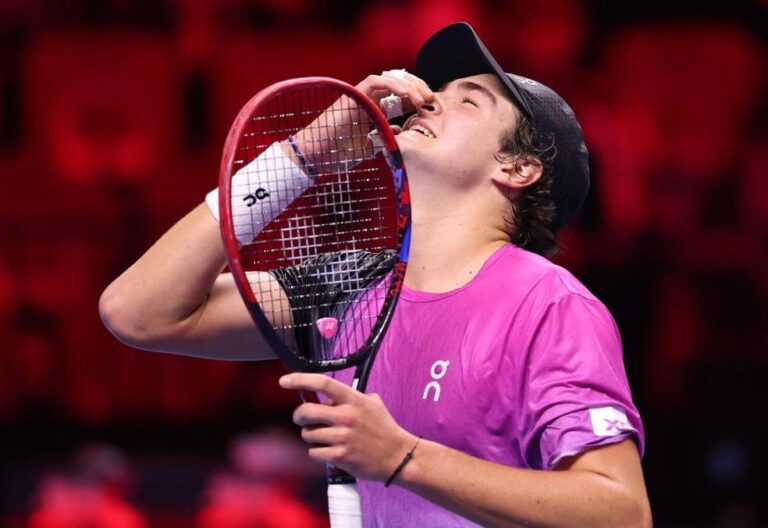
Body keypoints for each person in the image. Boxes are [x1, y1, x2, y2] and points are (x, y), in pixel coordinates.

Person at [100, 22, 651, 527]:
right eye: (437, 92)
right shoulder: (349, 290)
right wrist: (301, 157)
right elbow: (139, 312)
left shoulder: (548, 303)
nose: (427, 101)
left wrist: (403, 459)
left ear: (517, 167)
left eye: (468, 100)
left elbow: (621, 511)